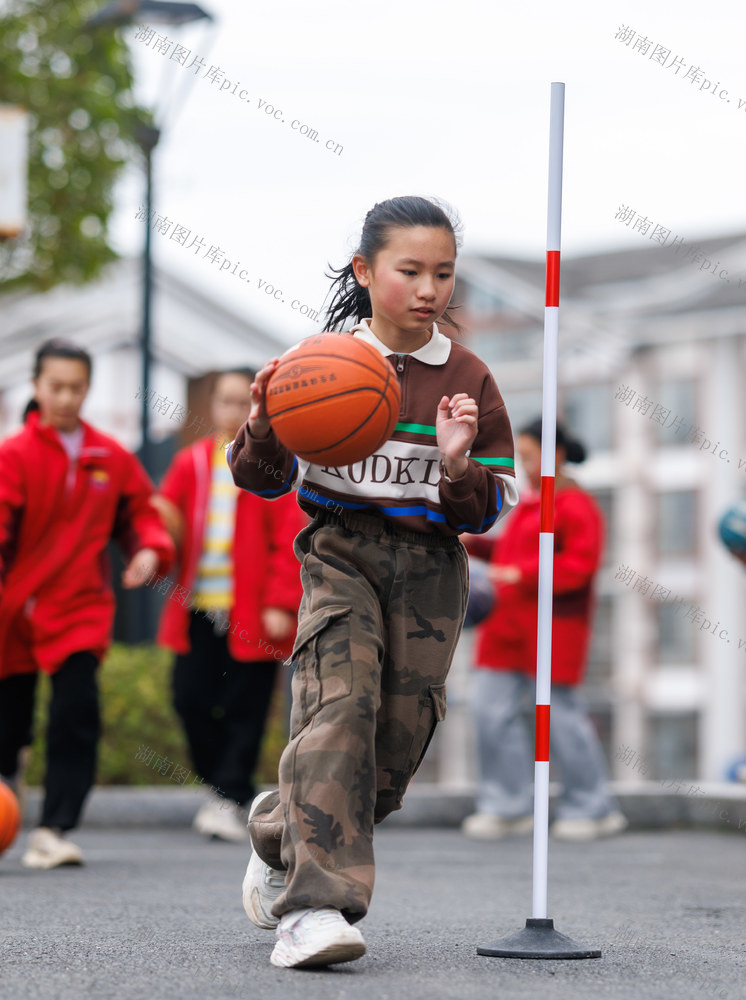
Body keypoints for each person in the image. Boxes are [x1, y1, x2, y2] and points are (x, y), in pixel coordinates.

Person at [228, 195, 519, 969]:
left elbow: (489, 507)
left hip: (428, 572)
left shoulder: (468, 377)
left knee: (390, 754)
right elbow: (259, 479)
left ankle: (275, 828)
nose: (430, 289)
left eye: (444, 273)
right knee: (339, 712)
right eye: (410, 270)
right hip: (341, 556)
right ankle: (314, 913)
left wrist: (458, 463)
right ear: (365, 270)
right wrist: (261, 424)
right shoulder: (317, 363)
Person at [0, 339, 175, 868]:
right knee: (7, 724)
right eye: (56, 386)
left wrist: (149, 550)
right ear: (36, 386)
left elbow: (143, 515)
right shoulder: (14, 456)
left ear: (87, 388)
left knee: (76, 711)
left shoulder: (110, 457)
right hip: (14, 613)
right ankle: (9, 794)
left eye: (76, 387)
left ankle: (54, 828)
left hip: (79, 608)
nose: (66, 397)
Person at [153, 370, 305, 842]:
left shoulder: (275, 466)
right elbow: (164, 523)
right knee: (189, 698)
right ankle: (224, 792)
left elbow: (290, 539)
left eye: (246, 402)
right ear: (212, 404)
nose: (235, 410)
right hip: (196, 606)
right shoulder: (190, 464)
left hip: (253, 612)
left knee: (247, 705)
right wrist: (151, 555)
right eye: (226, 401)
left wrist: (282, 601)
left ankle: (229, 795)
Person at [461, 418, 627, 842]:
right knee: (488, 712)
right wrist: (476, 544)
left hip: (552, 629)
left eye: (531, 456)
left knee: (561, 719)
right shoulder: (534, 505)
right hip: (507, 627)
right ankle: (508, 805)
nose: (526, 464)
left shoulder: (576, 506)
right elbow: (512, 551)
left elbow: (579, 566)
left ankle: (593, 807)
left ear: (553, 455)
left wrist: (522, 574)